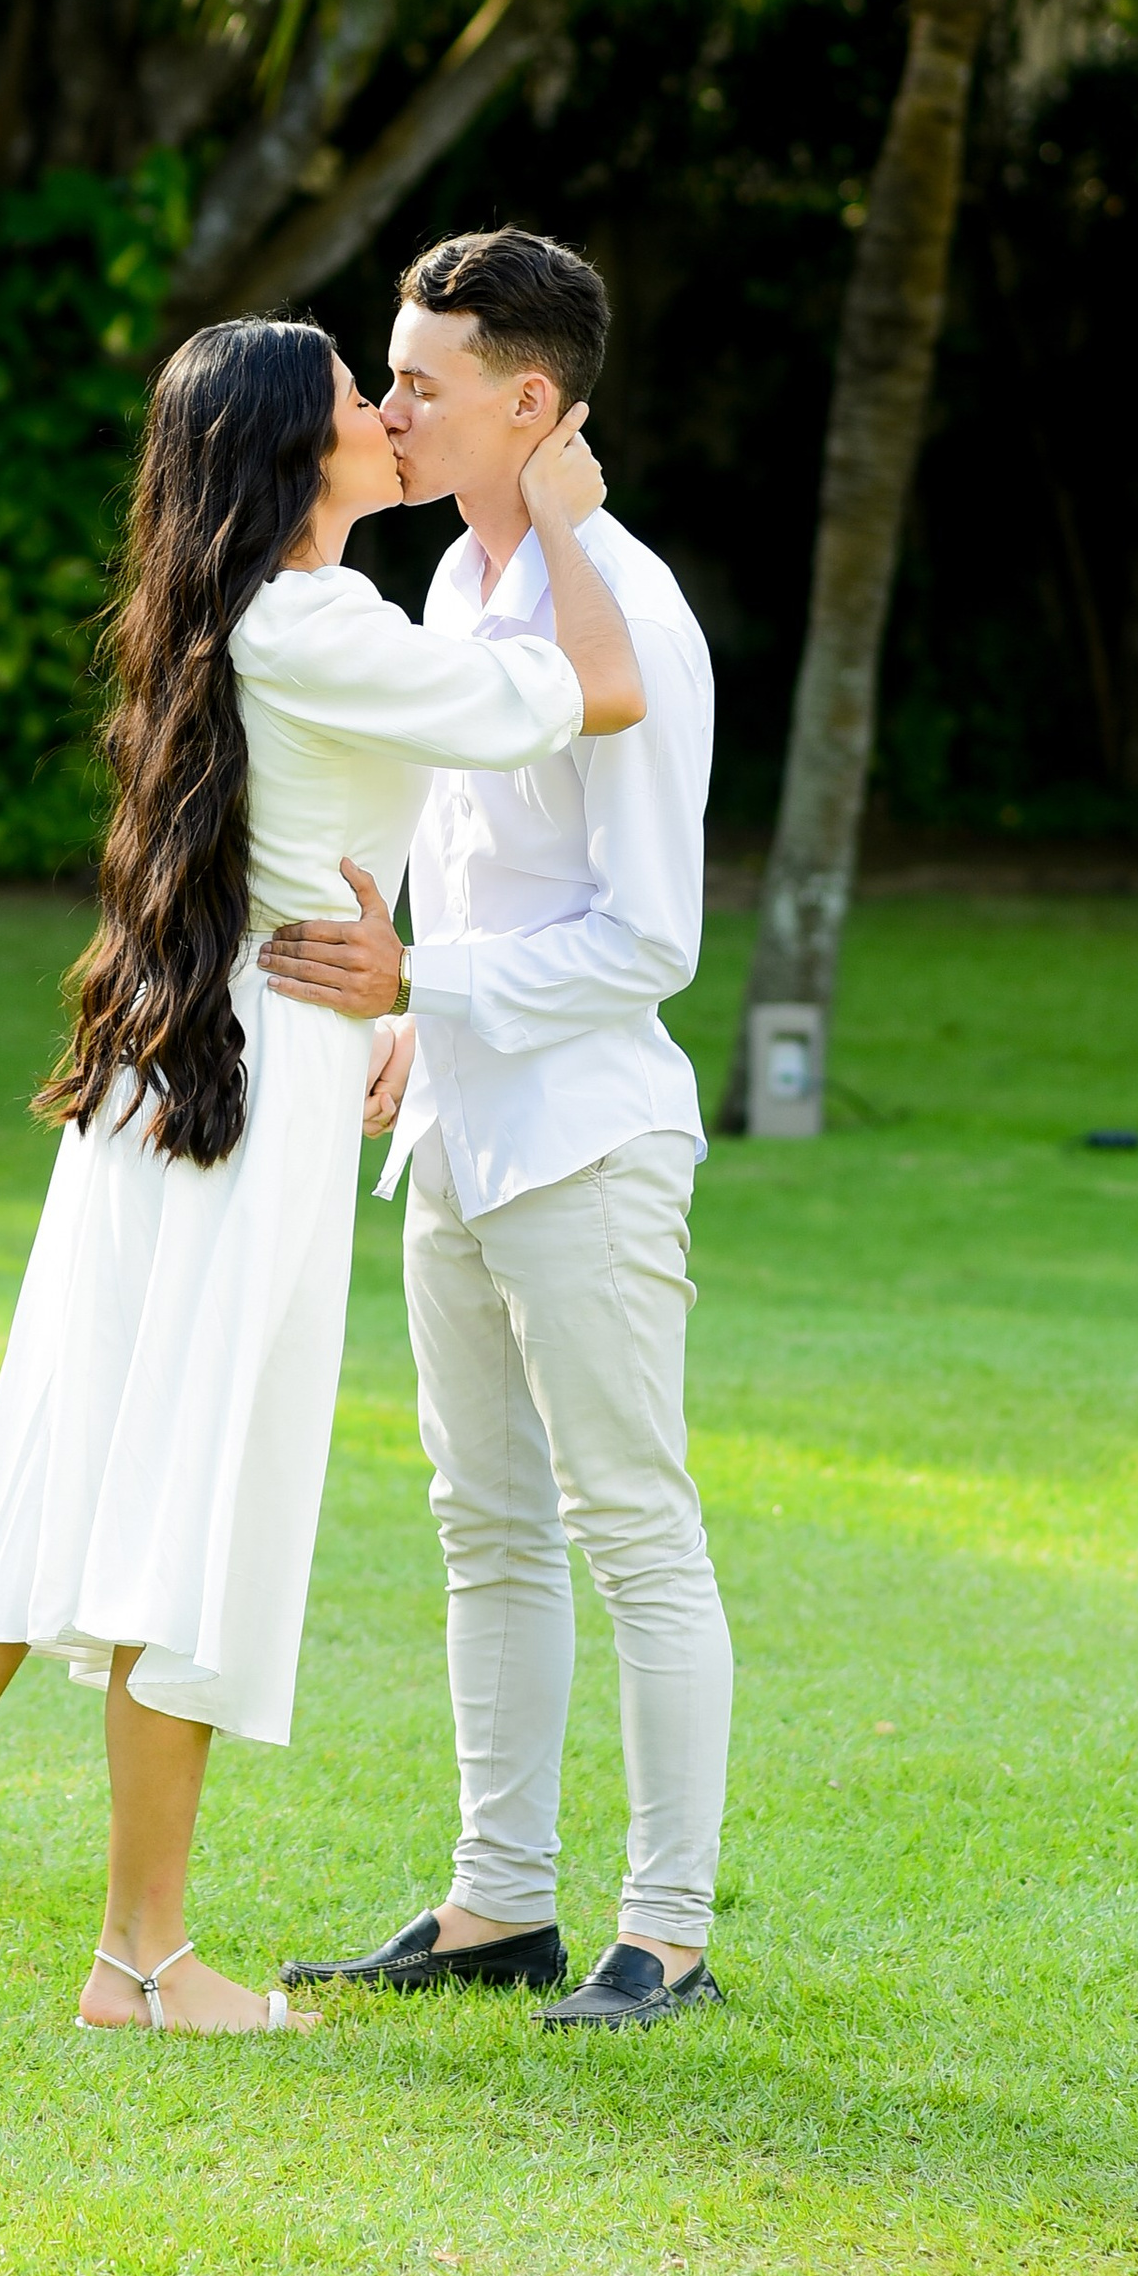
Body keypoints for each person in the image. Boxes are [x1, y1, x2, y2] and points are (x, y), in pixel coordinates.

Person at [0, 312, 646, 2033]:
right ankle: (142, 1960)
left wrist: (391, 1000)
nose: (390, 414)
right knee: (182, 1501)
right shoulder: (315, 618)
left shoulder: (247, 618)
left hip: (179, 1077)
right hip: (249, 1098)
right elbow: (592, 694)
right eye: (354, 398)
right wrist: (565, 510)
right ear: (292, 456)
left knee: (62, 1482)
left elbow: (293, 848)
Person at [263, 229, 730, 2031]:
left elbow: (652, 939)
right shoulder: (458, 589)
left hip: (588, 1146)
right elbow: (457, 872)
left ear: (529, 402)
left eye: (422, 382)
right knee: (483, 1523)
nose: (389, 406)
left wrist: (420, 986)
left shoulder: (638, 615)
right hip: (452, 1131)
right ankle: (497, 1905)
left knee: (634, 1523)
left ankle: (666, 1932)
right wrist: (414, 1027)